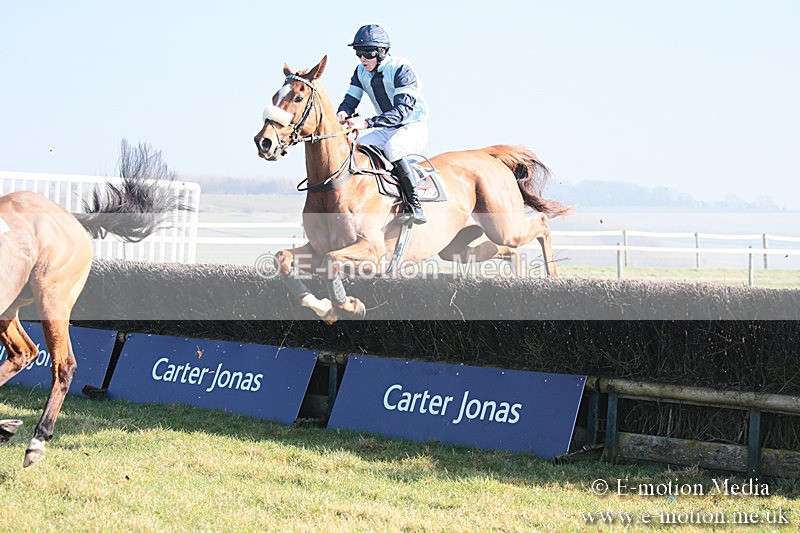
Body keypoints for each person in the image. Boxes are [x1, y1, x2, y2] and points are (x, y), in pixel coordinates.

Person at [337, 24, 429, 224]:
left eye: (367, 53)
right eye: (358, 53)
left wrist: (367, 122)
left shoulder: (401, 69)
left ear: (382, 51)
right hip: (386, 128)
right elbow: (351, 99)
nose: (362, 58)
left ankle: (414, 206)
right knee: (355, 148)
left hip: (411, 127)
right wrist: (342, 113)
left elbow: (401, 113)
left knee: (393, 148)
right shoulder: (360, 71)